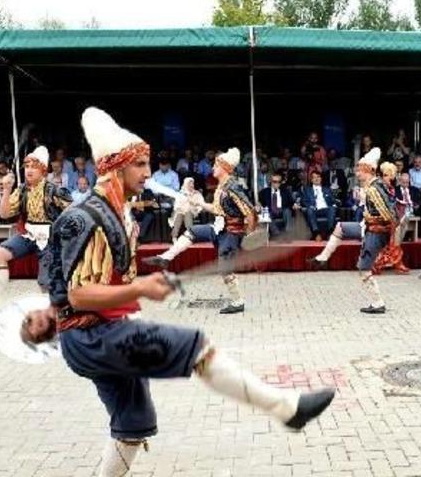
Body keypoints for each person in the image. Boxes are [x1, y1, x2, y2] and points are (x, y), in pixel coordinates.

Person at [22, 107, 334, 476]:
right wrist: (140, 287)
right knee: (197, 347)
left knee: (132, 425)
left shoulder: (113, 213)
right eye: (140, 164)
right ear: (116, 167)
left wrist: (131, 289)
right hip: (93, 336)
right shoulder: (88, 217)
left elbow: (70, 282)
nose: (147, 172)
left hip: (94, 335)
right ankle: (287, 409)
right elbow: (79, 294)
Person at [147, 148, 256, 314]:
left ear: (224, 168)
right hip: (219, 227)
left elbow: (250, 212)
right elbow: (217, 209)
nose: (213, 168)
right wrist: (199, 203)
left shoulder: (232, 187)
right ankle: (165, 258)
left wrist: (249, 234)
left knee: (225, 269)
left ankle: (238, 301)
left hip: (231, 233)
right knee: (192, 231)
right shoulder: (222, 186)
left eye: (216, 165)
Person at [0, 146, 72, 322]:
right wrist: (6, 189)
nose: (29, 170)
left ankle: (57, 310)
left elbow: (73, 213)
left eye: (34, 167)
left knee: (45, 283)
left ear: (43, 170)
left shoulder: (54, 190)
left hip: (50, 238)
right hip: (29, 234)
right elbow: (4, 214)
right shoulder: (22, 190)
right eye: (27, 167)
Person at [310, 148, 394, 314]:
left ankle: (378, 303)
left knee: (364, 268)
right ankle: (323, 257)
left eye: (359, 170)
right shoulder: (371, 187)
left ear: (367, 170)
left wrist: (370, 217)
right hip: (368, 227)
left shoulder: (374, 189)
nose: (357, 173)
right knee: (340, 227)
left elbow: (388, 215)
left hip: (375, 231)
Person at [372, 162, 409, 274]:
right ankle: (380, 263)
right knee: (394, 232)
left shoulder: (391, 189)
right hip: (376, 220)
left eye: (391, 175)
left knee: (399, 228)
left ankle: (397, 262)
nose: (389, 178)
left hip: (390, 219)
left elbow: (393, 205)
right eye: (386, 175)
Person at [300, 171, 338, 241]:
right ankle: (316, 233)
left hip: (326, 209)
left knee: (332, 208)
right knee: (310, 210)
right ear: (311, 180)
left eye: (318, 177)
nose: (316, 179)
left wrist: (334, 204)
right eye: (314, 178)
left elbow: (333, 200)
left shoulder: (327, 189)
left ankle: (330, 232)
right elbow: (303, 201)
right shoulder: (307, 190)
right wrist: (309, 205)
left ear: (321, 179)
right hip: (314, 209)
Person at [169, 177, 204, 242]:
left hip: (192, 211)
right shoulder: (180, 194)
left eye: (192, 184)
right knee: (179, 215)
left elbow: (201, 204)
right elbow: (176, 205)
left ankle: (190, 235)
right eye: (189, 184)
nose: (191, 185)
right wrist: (181, 209)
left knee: (188, 213)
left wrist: (196, 209)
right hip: (181, 211)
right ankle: (174, 237)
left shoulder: (197, 193)